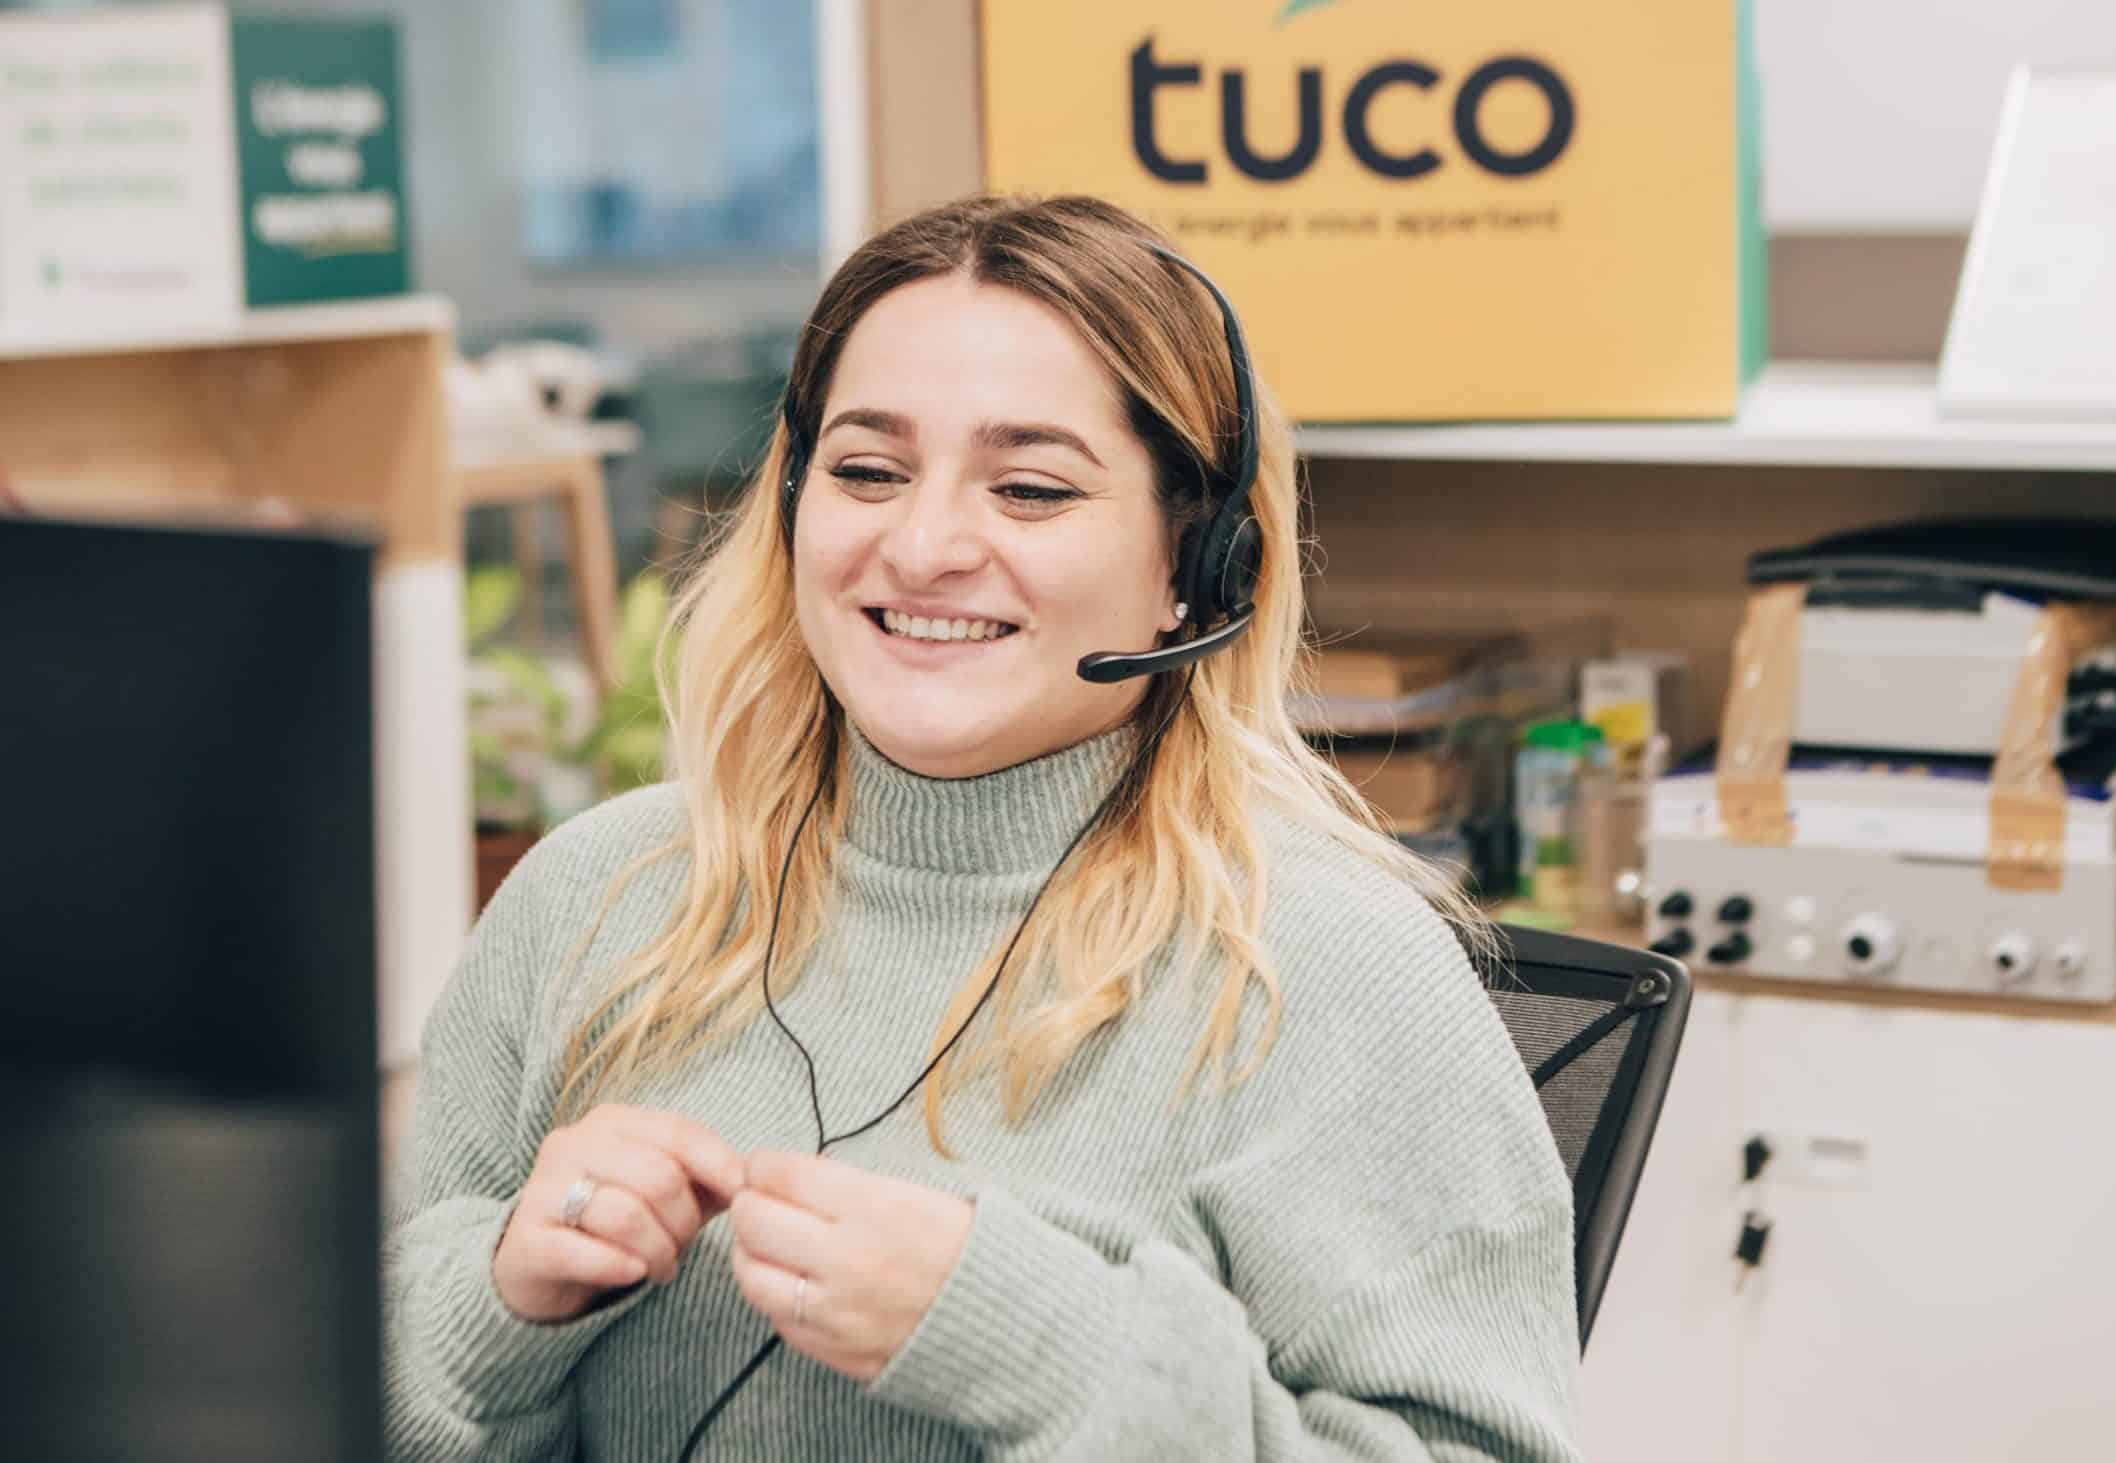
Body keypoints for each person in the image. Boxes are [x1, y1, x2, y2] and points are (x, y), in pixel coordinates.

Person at [383, 192, 1583, 1461]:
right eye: (866, 471)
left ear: (1197, 566)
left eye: (1029, 488)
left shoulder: (1329, 968)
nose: (923, 546)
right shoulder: (594, 894)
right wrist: (498, 1302)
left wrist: (1041, 1344)